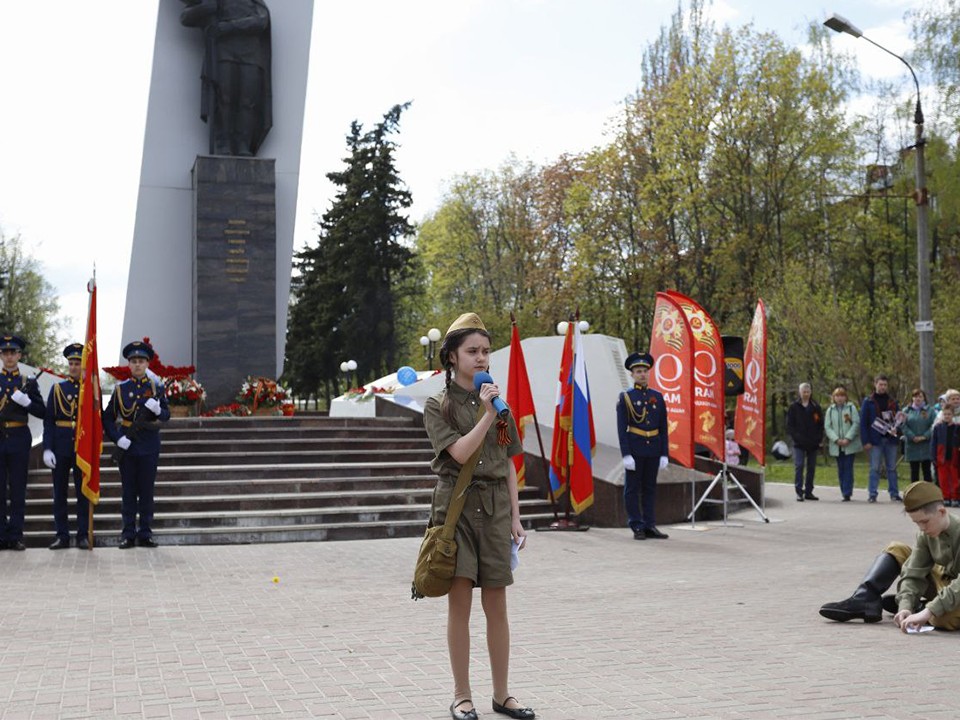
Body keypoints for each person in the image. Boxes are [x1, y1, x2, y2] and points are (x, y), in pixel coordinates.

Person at [422, 313, 534, 720]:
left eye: (486, 351)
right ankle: (462, 695)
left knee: (497, 605)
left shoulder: (499, 404)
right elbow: (461, 454)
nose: (482, 358)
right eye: (472, 351)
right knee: (459, 607)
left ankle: (502, 695)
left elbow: (506, 465)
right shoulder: (440, 405)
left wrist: (516, 517)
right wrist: (488, 413)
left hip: (496, 511)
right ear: (452, 357)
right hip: (457, 512)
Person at [819, 481, 960, 632]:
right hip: (943, 583)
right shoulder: (925, 535)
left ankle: (923, 606)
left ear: (942, 512)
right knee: (896, 549)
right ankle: (865, 599)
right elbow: (913, 572)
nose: (922, 528)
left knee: (944, 619)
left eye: (925, 521)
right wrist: (905, 606)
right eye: (917, 523)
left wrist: (929, 611)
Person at [180, 0, 272, 157]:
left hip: (251, 54)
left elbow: (262, 22)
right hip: (223, 53)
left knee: (248, 101)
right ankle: (224, 143)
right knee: (224, 99)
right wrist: (207, 8)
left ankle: (243, 143)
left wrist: (228, 27)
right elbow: (186, 17)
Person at [102, 340, 170, 549]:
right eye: (134, 361)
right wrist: (117, 438)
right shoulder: (121, 389)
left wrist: (158, 410)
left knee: (147, 491)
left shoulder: (156, 387)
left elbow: (166, 416)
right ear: (129, 365)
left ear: (147, 364)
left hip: (148, 445)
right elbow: (107, 417)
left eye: (141, 361)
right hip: (128, 445)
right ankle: (128, 533)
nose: (138, 365)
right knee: (129, 491)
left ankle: (146, 533)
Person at [617, 352, 670, 540]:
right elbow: (622, 429)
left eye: (645, 371)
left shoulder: (658, 397)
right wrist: (626, 454)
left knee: (650, 489)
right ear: (632, 374)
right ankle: (636, 525)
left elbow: (663, 427)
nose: (642, 374)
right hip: (635, 448)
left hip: (653, 449)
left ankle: (649, 525)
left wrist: (664, 453)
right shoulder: (626, 398)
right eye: (638, 371)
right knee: (632, 489)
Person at [42, 343, 89, 550]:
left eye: (77, 363)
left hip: (82, 447)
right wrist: (47, 448)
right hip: (60, 446)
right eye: (71, 363)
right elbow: (49, 421)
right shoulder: (58, 388)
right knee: (59, 493)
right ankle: (62, 535)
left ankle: (82, 535)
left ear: (83, 365)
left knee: (83, 494)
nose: (73, 367)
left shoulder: (90, 390)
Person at [0, 335, 45, 550]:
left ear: (19, 355)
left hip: (19, 438)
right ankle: (1, 535)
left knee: (18, 488)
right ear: (1, 356)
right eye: (5, 353)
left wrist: (27, 402)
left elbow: (42, 412)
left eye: (13, 353)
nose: (9, 357)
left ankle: (15, 535)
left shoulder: (29, 382)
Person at [860, 374, 902, 503]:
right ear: (875, 384)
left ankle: (894, 493)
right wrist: (865, 441)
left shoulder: (893, 402)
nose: (883, 387)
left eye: (885, 385)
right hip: (875, 440)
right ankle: (872, 493)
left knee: (892, 468)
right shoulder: (868, 402)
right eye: (880, 384)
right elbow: (863, 423)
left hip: (890, 439)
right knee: (875, 467)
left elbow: (899, 419)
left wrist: (897, 430)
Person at [823, 385, 862, 501]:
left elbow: (856, 423)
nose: (839, 398)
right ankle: (843, 490)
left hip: (849, 444)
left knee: (848, 468)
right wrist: (836, 439)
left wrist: (847, 438)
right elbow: (827, 426)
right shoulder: (830, 410)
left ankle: (847, 492)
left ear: (845, 397)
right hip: (837, 445)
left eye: (842, 396)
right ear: (834, 398)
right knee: (841, 469)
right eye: (837, 396)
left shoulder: (851, 408)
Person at [786, 382, 824, 501]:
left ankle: (808, 491)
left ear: (811, 392)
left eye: (808, 392)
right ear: (800, 392)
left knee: (811, 467)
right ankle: (799, 491)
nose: (806, 394)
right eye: (804, 392)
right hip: (799, 443)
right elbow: (790, 426)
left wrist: (818, 439)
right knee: (799, 465)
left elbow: (820, 424)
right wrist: (797, 437)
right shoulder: (794, 407)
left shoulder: (815, 407)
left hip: (813, 442)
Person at [902, 388, 934, 484]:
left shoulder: (930, 411)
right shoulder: (906, 411)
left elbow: (934, 425)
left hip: (926, 445)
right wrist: (912, 437)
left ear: (924, 398)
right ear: (912, 398)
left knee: (927, 472)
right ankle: (914, 495)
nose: (918, 399)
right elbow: (902, 425)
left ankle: (928, 495)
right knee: (914, 472)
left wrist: (925, 436)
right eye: (915, 396)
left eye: (920, 396)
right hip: (912, 445)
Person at [931, 406, 960, 506]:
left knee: (954, 479)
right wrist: (933, 457)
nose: (947, 416)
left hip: (954, 458)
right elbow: (933, 444)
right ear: (942, 415)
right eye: (945, 414)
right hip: (941, 458)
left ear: (953, 415)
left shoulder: (957, 427)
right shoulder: (937, 428)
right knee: (943, 479)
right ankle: (946, 497)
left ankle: (955, 497)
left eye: (949, 414)